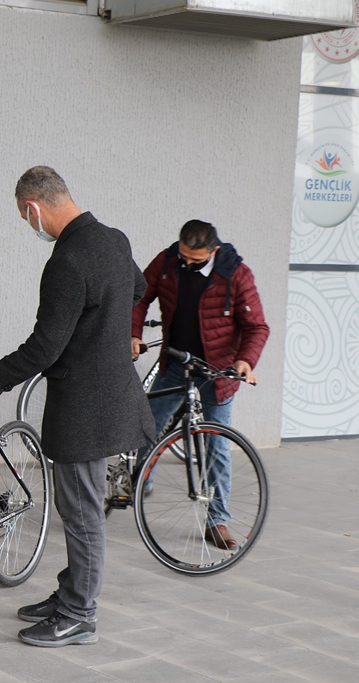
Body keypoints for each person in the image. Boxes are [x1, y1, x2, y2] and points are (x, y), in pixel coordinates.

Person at [0, 166, 152, 647]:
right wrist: (105, 332)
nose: (29, 227)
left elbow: (45, 345)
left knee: (82, 511)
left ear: (33, 208)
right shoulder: (114, 240)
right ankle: (72, 592)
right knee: (80, 507)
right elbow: (136, 289)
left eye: (24, 218)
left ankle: (79, 615)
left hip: (84, 407)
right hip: (111, 394)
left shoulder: (66, 261)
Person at [131, 219, 268, 550]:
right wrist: (134, 334)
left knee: (216, 444)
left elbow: (256, 326)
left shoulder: (236, 274)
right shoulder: (166, 263)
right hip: (176, 362)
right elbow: (139, 296)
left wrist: (245, 361)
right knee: (149, 424)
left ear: (214, 250)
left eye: (197, 260)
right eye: (184, 257)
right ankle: (138, 482)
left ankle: (217, 520)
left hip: (218, 372)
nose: (188, 265)